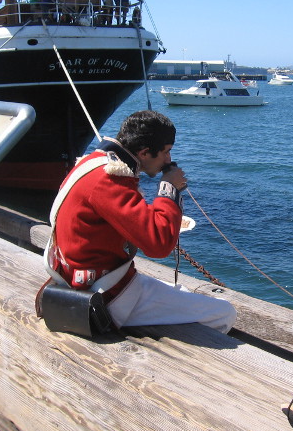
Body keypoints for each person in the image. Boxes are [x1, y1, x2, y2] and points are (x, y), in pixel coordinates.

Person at [49, 110, 236, 333]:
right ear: (145, 152)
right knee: (224, 313)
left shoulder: (93, 163)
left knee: (183, 292)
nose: (169, 159)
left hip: (76, 280)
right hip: (104, 296)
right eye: (166, 152)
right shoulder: (110, 179)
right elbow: (158, 245)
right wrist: (169, 188)